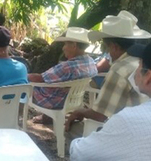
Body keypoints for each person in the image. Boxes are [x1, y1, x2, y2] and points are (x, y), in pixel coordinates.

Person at [65, 11, 151, 140]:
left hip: (127, 133)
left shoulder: (119, 69)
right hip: (144, 125)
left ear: (114, 47)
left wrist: (79, 112)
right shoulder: (141, 60)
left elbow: (101, 115)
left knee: (72, 128)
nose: (108, 53)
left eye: (107, 48)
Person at [70, 43, 151, 161]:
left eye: (139, 64)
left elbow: (80, 153)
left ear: (148, 77)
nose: (136, 68)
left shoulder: (129, 120)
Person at [28, 27, 98, 124]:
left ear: (74, 45)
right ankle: (47, 118)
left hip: (55, 102)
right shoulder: (90, 62)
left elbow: (40, 78)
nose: (63, 48)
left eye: (65, 44)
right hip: (74, 99)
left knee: (24, 84)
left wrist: (22, 75)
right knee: (56, 86)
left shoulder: (67, 67)